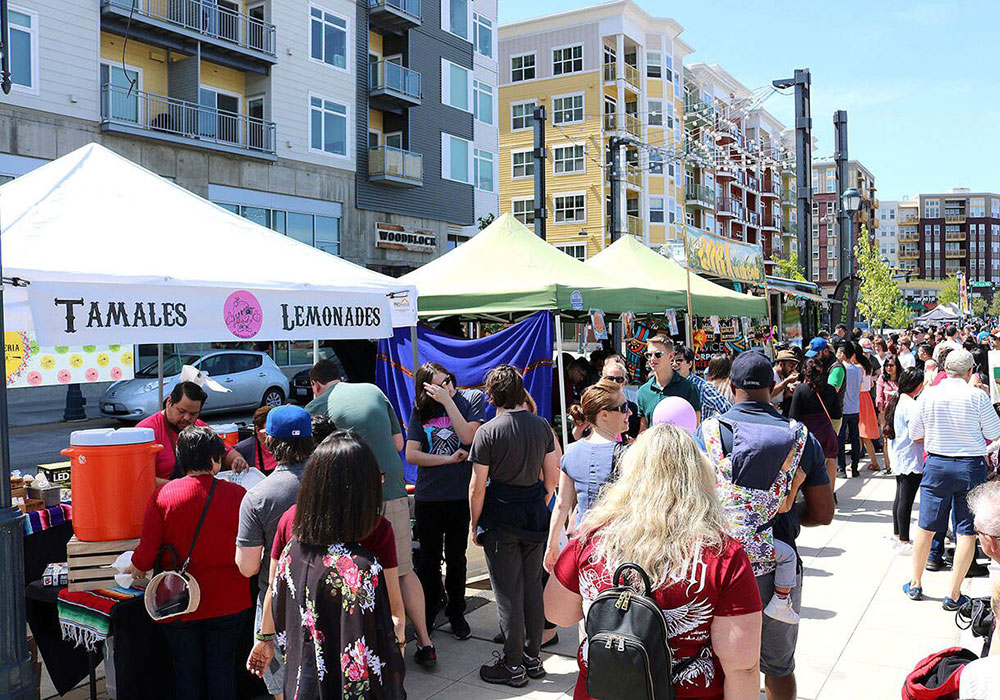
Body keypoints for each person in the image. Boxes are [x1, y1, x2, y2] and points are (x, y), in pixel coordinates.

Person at [544, 424, 763, 699]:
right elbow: (742, 667)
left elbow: (556, 614)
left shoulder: (591, 540)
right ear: (700, 477)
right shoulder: (723, 555)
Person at [698, 351, 832, 700]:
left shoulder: (707, 433)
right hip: (775, 565)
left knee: (717, 663)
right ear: (773, 388)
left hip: (717, 565)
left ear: (731, 386)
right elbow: (823, 513)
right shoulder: (800, 438)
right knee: (778, 667)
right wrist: (781, 513)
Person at [306, 359, 436, 667]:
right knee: (403, 570)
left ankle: (370, 646)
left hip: (353, 500)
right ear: (342, 377)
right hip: (392, 490)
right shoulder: (373, 390)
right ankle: (426, 643)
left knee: (357, 571)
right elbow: (398, 442)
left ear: (315, 384)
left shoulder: (317, 405)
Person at [270, 431, 406, 699]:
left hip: (302, 683)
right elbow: (372, 650)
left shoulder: (291, 551)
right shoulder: (359, 569)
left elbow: (281, 621)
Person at [130, 426, 250, 700]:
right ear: (215, 460)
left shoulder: (163, 496)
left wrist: (133, 566)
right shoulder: (238, 495)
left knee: (186, 672)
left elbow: (145, 556)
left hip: (178, 602)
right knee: (222, 671)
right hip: (230, 599)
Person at [468, 365, 560, 687]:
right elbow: (552, 476)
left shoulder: (487, 432)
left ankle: (513, 664)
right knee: (532, 588)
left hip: (501, 518)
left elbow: (477, 486)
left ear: (492, 395)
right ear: (521, 391)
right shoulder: (542, 427)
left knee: (508, 593)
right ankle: (533, 659)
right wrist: (540, 501)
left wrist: (475, 523)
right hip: (534, 514)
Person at [904, 349, 1000, 609]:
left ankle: (915, 582)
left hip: (937, 463)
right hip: (970, 465)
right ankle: (954, 592)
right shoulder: (977, 396)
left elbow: (914, 432)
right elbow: (993, 431)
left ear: (946, 369)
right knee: (966, 529)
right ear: (970, 371)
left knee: (926, 525)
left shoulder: (929, 394)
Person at [234, 404, 315, 699]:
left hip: (278, 607)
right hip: (333, 597)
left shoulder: (258, 497)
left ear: (269, 441)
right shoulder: (334, 484)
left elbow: (247, 567)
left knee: (284, 691)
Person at [405, 361, 485, 640]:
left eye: (448, 381)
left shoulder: (470, 399)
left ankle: (456, 610)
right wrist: (447, 459)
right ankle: (427, 612)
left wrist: (448, 402)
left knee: (456, 558)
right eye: (438, 384)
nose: (446, 387)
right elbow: (412, 454)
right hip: (429, 496)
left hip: (458, 495)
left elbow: (469, 436)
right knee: (428, 560)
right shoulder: (421, 410)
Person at [544, 380, 630, 573]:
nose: (629, 412)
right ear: (604, 415)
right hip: (618, 550)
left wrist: (552, 546)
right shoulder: (630, 455)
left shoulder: (571, 452)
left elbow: (562, 504)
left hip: (583, 548)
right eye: (624, 408)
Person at [137, 381, 248, 485]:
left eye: (193, 414)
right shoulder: (146, 432)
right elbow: (141, 478)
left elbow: (226, 452)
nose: (186, 418)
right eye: (181, 411)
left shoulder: (200, 427)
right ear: (169, 402)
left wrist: (237, 459)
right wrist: (180, 487)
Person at [883, 367, 925, 553]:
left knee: (900, 495)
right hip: (910, 456)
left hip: (900, 454)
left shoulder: (899, 400)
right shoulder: (911, 405)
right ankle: (904, 540)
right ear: (917, 385)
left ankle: (898, 533)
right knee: (905, 499)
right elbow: (916, 435)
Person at [789, 358, 842, 490]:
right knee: (830, 460)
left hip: (808, 433)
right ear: (822, 370)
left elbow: (793, 416)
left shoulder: (800, 389)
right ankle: (830, 493)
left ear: (804, 372)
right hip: (826, 431)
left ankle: (808, 494)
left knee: (806, 463)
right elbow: (836, 414)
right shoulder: (830, 389)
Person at [636, 334, 702, 431]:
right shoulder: (644, 391)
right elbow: (643, 430)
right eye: (649, 355)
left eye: (658, 355)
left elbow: (695, 426)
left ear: (670, 356)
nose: (652, 359)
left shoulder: (689, 388)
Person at [672, 345, 732, 420]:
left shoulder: (703, 386)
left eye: (679, 360)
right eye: (671, 361)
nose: (674, 364)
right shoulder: (667, 385)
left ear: (690, 364)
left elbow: (727, 409)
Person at [856, 350, 883, 472]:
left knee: (861, 433)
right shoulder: (866, 367)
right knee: (863, 434)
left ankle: (859, 463)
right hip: (866, 397)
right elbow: (871, 384)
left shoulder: (858, 368)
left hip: (859, 398)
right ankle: (871, 462)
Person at [600, 359, 640, 439]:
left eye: (619, 379)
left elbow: (635, 434)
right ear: (603, 379)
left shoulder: (632, 408)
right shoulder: (596, 405)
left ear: (624, 381)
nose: (614, 382)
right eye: (610, 379)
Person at [233, 406, 278, 474]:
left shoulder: (286, 446)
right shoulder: (242, 450)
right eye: (270, 430)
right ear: (257, 430)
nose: (275, 433)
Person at [771, 350, 801, 417]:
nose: (792, 369)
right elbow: (770, 393)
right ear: (781, 364)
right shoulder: (771, 375)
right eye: (790, 366)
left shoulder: (782, 376)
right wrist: (787, 381)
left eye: (794, 366)